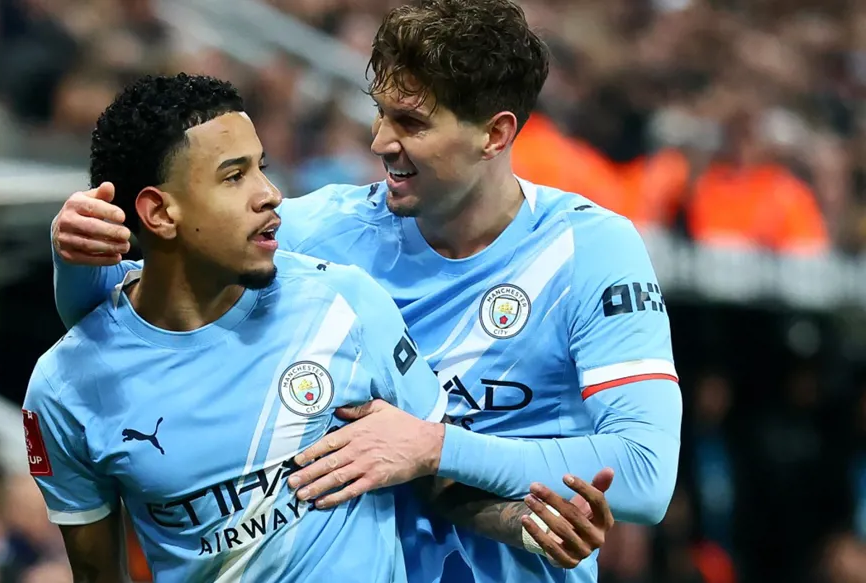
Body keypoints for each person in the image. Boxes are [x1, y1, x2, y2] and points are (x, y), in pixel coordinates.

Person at [47, 1, 682, 582]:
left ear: (494, 134)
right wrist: (74, 253)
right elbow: (120, 328)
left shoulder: (588, 249)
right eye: (380, 111)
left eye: (411, 122)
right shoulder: (320, 232)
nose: (379, 140)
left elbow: (645, 475)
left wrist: (432, 447)